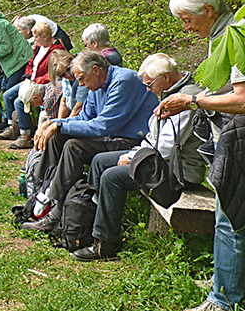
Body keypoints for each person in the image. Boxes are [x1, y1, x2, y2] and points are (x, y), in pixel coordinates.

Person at [156, 0, 245, 311]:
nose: (186, 27)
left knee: (230, 219)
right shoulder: (220, 35)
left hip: (238, 141)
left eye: (187, 19)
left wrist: (191, 100)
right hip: (228, 137)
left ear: (208, 10)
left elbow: (241, 98)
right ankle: (226, 280)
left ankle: (223, 300)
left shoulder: (235, 37)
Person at [73, 53, 205, 261]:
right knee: (100, 160)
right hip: (161, 162)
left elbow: (166, 147)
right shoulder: (170, 92)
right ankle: (92, 224)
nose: (147, 89)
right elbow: (154, 137)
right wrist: (132, 154)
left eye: (150, 84)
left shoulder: (184, 100)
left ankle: (105, 243)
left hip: (178, 172)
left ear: (166, 77)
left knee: (111, 177)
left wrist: (134, 157)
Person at [22, 50, 157, 233]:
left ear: (96, 70)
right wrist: (53, 123)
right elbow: (85, 117)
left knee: (73, 146)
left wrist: (60, 126)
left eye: (83, 78)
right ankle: (40, 192)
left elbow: (104, 126)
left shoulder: (123, 81)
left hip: (132, 141)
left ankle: (56, 213)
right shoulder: (96, 85)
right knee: (56, 137)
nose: (81, 84)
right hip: (112, 136)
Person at [0, 21, 64, 149]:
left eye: (37, 37)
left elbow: (55, 72)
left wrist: (36, 81)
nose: (35, 39)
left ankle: (25, 135)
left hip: (44, 83)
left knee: (19, 102)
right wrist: (27, 76)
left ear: (45, 36)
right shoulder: (38, 47)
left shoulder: (57, 51)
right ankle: (12, 127)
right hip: (31, 80)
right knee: (7, 95)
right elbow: (31, 63)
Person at [48, 50, 86, 119]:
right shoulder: (65, 80)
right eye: (63, 74)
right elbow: (64, 101)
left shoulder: (83, 77)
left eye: (69, 69)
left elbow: (78, 107)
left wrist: (63, 124)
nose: (69, 75)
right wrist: (59, 121)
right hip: (73, 114)